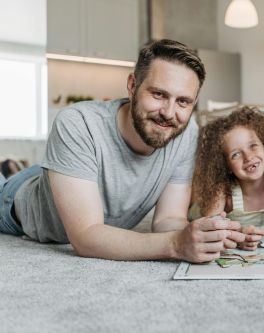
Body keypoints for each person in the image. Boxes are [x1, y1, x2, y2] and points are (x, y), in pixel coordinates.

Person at [0, 39, 245, 263]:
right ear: (132, 86)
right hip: (15, 202)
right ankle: (9, 169)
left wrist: (209, 236)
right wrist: (174, 244)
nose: (169, 113)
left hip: (69, 175)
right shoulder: (78, 123)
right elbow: (86, 236)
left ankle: (13, 166)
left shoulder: (186, 132)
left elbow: (167, 219)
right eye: (159, 94)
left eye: (183, 101)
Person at [191, 107, 264, 250]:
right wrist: (239, 236)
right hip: (197, 211)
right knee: (193, 204)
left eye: (253, 145)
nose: (248, 157)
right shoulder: (224, 189)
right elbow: (211, 228)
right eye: (235, 154)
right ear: (226, 165)